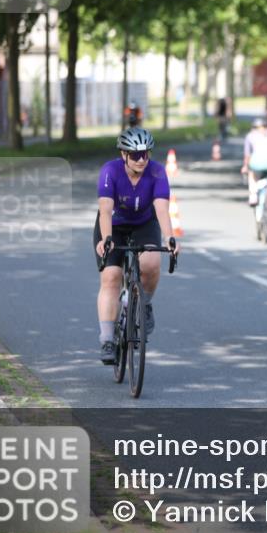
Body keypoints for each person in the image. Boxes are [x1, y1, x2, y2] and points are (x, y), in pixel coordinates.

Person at [94, 127, 181, 365]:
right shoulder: (110, 171)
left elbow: (162, 209)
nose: (141, 159)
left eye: (145, 154)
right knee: (111, 276)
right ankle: (108, 339)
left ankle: (145, 304)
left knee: (151, 262)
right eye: (135, 155)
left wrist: (170, 238)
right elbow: (105, 210)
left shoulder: (157, 172)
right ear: (123, 154)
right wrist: (107, 239)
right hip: (113, 225)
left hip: (145, 222)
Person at [241, 116, 267, 234]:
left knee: (251, 171)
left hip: (258, 164)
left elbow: (247, 156)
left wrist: (245, 166)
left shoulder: (250, 136)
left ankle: (253, 194)